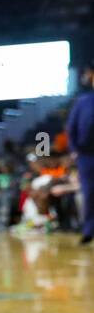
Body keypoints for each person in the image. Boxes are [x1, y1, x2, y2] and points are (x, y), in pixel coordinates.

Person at [66, 61, 94, 244]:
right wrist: (74, 150)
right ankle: (88, 231)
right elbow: (71, 127)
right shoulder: (83, 101)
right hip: (87, 156)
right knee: (89, 193)